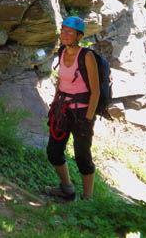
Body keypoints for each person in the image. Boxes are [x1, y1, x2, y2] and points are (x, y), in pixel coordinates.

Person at [45, 16, 100, 201]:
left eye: (70, 32)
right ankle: (67, 189)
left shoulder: (87, 56)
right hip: (62, 108)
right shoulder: (61, 52)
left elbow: (96, 91)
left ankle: (88, 198)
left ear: (79, 36)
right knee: (54, 151)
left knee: (82, 156)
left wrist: (87, 119)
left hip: (82, 111)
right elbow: (61, 80)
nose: (65, 34)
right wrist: (54, 104)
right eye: (63, 30)